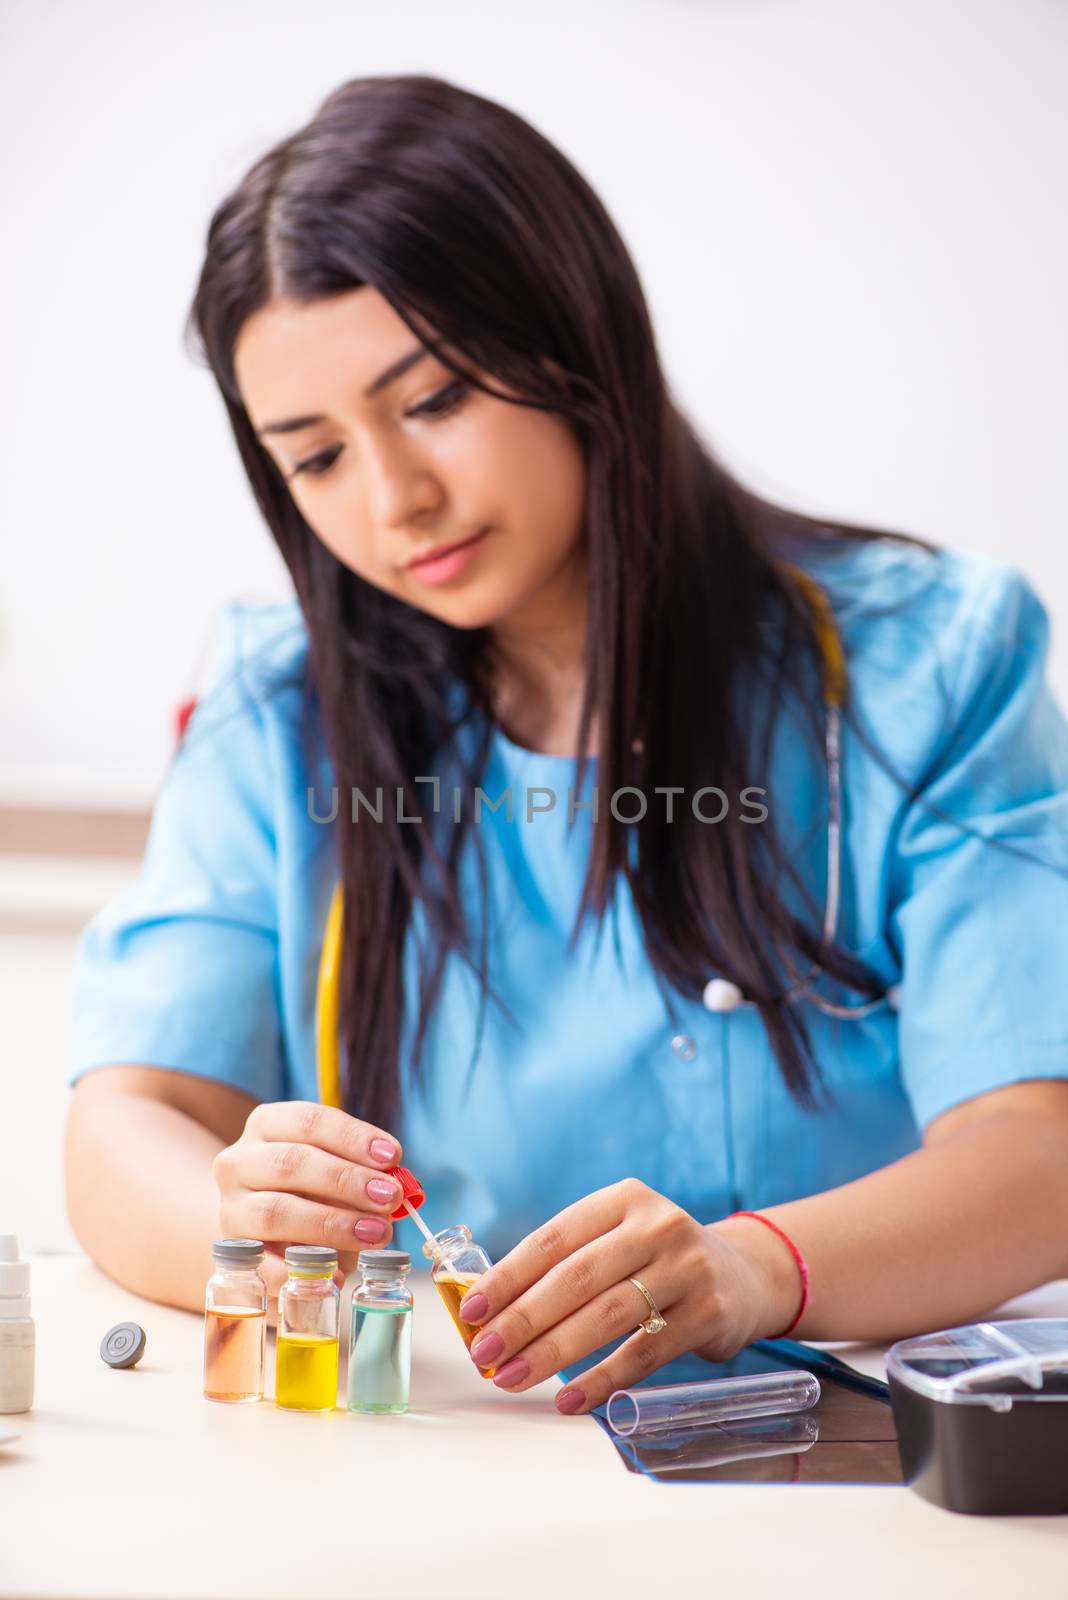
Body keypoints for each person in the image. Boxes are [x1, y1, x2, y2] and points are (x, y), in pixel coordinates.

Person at [64, 74, 1068, 1418]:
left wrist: (748, 1269)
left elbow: (1036, 1151)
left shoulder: (927, 666)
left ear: (578, 336)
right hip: (477, 1453)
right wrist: (239, 1217)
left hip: (850, 1447)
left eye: (431, 402)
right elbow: (123, 1124)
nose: (392, 499)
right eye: (314, 459)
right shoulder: (281, 708)